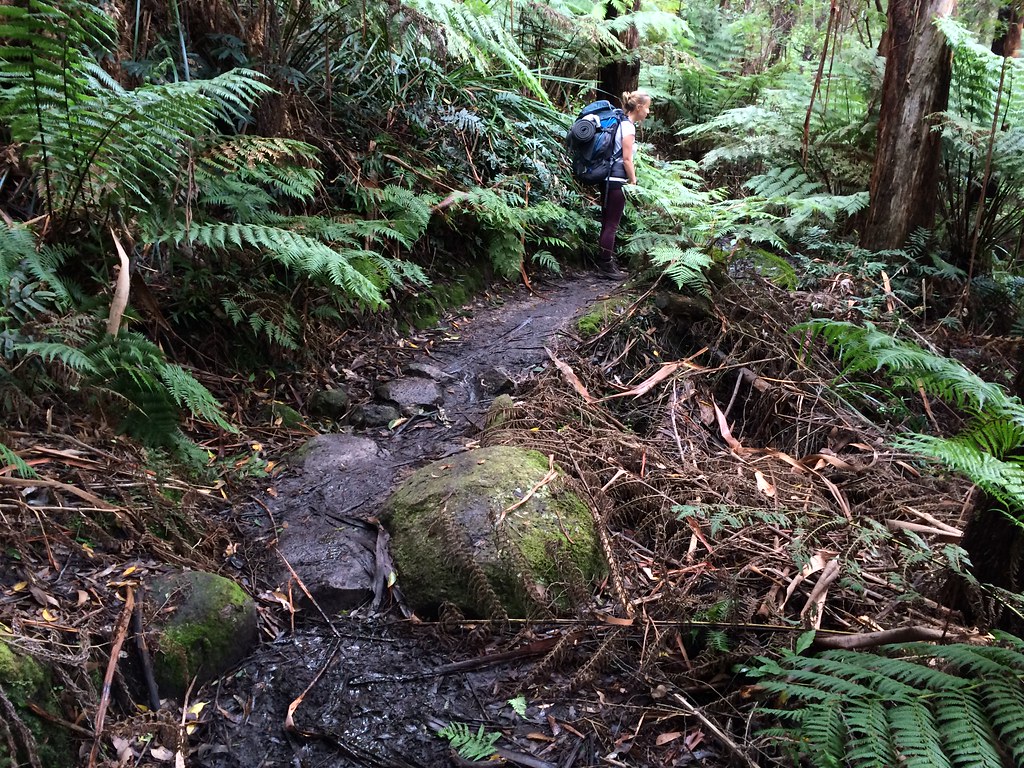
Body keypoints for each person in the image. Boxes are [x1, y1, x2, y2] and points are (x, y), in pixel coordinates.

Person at [596, 90, 651, 280]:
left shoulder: (620, 124)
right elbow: (627, 159)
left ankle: (604, 260)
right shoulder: (628, 128)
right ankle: (605, 266)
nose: (648, 112)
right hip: (616, 180)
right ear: (639, 107)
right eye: (647, 108)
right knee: (612, 224)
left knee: (607, 222)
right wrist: (633, 181)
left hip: (607, 178)